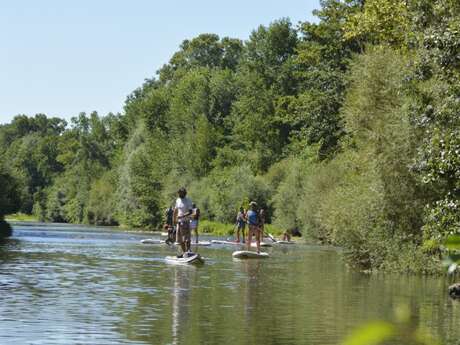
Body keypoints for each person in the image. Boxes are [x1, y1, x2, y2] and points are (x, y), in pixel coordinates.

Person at [173, 187, 193, 257]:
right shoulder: (178, 200)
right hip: (179, 222)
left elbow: (191, 212)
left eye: (180, 193)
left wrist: (182, 216)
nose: (178, 194)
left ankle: (188, 251)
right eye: (178, 193)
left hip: (186, 222)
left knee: (187, 239)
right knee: (180, 240)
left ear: (184, 193)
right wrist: (174, 220)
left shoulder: (188, 200)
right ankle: (184, 253)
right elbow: (175, 210)